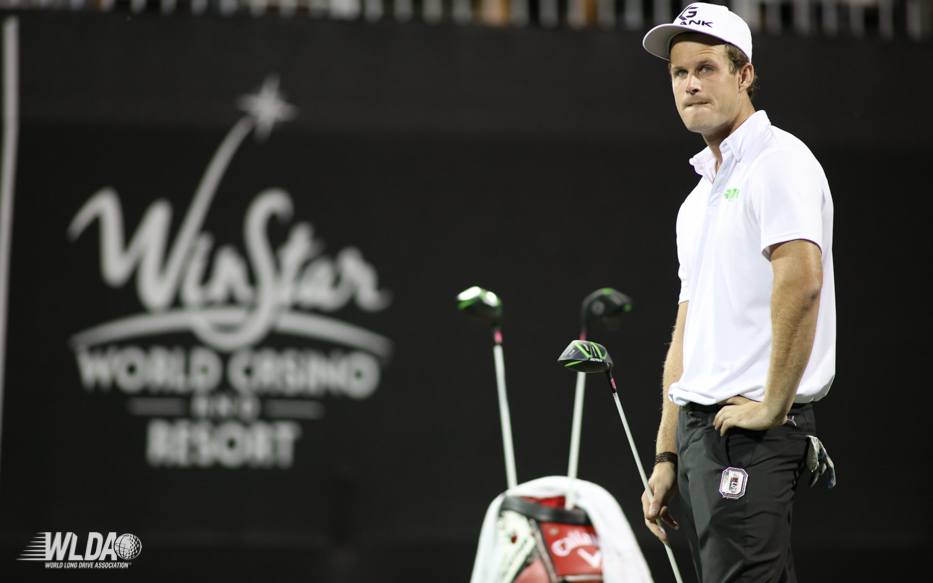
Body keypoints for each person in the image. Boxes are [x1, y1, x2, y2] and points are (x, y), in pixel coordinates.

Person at [638, 3, 837, 582]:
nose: (691, 85)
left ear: (745, 74)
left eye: (706, 68)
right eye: (679, 73)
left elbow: (802, 283)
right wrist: (668, 452)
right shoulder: (697, 200)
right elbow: (689, 329)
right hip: (702, 437)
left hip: (750, 434)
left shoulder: (779, 162)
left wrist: (773, 405)